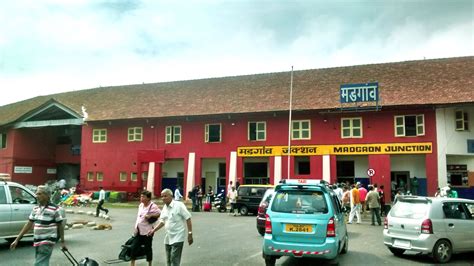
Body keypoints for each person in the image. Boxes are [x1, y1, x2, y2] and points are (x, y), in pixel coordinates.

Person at [10, 185, 66, 266]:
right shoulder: (36, 209)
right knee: (41, 262)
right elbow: (29, 224)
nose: (37, 196)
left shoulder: (54, 209)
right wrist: (17, 239)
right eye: (36, 194)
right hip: (37, 241)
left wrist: (62, 242)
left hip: (47, 241)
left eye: (39, 194)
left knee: (40, 263)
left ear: (47, 195)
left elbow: (60, 225)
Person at [148, 189, 193, 266]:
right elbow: (162, 221)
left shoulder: (179, 205)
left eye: (165, 196)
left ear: (171, 196)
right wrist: (153, 230)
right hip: (168, 237)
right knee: (168, 260)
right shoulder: (165, 208)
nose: (163, 198)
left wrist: (190, 234)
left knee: (174, 259)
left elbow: (188, 218)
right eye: (162, 196)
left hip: (178, 236)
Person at [130, 190, 161, 266]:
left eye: (143, 196)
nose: (141, 198)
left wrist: (150, 216)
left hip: (148, 231)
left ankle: (149, 264)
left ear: (148, 198)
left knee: (148, 248)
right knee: (134, 247)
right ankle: (132, 264)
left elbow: (160, 213)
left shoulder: (152, 206)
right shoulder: (141, 205)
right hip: (138, 230)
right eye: (141, 196)